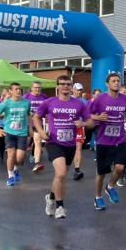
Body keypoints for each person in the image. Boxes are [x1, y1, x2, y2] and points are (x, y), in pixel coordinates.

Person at [34, 75, 91, 219]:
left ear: (71, 87)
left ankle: (51, 197)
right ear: (57, 86)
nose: (66, 86)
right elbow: (36, 117)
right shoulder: (49, 102)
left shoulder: (78, 104)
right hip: (54, 142)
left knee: (61, 176)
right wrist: (41, 132)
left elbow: (90, 121)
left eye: (68, 84)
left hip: (70, 144)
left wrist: (83, 124)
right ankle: (60, 207)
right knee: (60, 173)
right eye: (63, 84)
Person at [88, 73, 126, 208]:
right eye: (113, 81)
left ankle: (110, 186)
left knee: (120, 167)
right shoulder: (100, 99)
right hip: (104, 141)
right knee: (101, 173)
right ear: (107, 84)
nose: (116, 83)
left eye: (118, 81)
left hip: (120, 139)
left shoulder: (125, 99)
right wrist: (98, 118)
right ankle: (98, 197)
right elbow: (87, 114)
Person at [0, 82, 32, 187]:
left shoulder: (26, 102)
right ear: (10, 91)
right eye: (16, 89)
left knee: (19, 158)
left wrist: (30, 128)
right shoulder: (6, 103)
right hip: (9, 132)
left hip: (22, 133)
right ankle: (10, 176)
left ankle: (15, 168)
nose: (18, 91)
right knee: (11, 155)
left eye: (19, 89)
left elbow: (29, 115)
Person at [23, 82, 48, 173]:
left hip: (38, 123)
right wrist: (28, 113)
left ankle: (37, 163)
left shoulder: (44, 97)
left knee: (37, 142)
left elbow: (47, 109)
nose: (38, 89)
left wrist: (46, 115)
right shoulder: (26, 97)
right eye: (36, 87)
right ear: (31, 88)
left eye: (39, 87)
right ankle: (22, 154)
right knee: (25, 143)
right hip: (27, 123)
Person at [71, 82, 89, 180]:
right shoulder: (68, 99)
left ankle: (77, 170)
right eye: (78, 90)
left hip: (79, 127)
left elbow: (88, 115)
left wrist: (84, 123)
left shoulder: (84, 102)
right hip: (67, 127)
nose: (79, 92)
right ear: (73, 90)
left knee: (78, 147)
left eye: (81, 90)